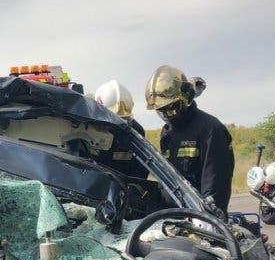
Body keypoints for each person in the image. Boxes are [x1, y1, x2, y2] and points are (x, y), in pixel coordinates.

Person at [145, 65, 234, 215]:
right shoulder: (167, 133)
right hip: (171, 216)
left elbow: (215, 189)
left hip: (199, 219)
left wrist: (207, 219)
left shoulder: (211, 129)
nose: (167, 115)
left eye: (171, 108)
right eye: (161, 111)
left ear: (185, 98)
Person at [94, 80, 149, 179]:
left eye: (123, 119)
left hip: (123, 185)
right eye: (113, 119)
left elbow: (141, 168)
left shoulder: (135, 130)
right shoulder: (86, 128)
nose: (118, 124)